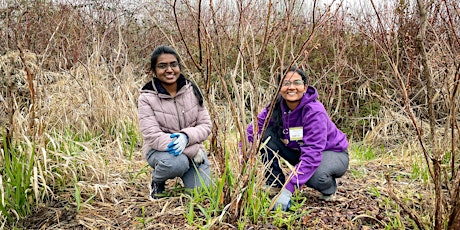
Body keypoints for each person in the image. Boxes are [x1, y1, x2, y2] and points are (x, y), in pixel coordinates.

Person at [247, 66, 349, 211]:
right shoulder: (276, 106)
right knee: (265, 136)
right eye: (286, 83)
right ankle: (274, 182)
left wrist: (289, 190)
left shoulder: (314, 111)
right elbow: (254, 128)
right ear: (279, 88)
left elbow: (313, 153)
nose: (291, 87)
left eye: (296, 83)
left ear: (305, 87)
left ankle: (328, 187)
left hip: (331, 152)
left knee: (316, 177)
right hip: (299, 151)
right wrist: (242, 153)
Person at [138, 45, 212, 200]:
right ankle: (158, 181)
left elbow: (205, 125)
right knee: (177, 163)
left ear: (179, 66)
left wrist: (185, 137)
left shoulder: (192, 90)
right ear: (154, 70)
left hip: (191, 147)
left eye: (173, 64)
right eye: (162, 66)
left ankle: (187, 173)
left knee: (202, 193)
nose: (169, 70)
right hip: (160, 151)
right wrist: (191, 149)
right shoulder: (146, 97)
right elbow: (152, 135)